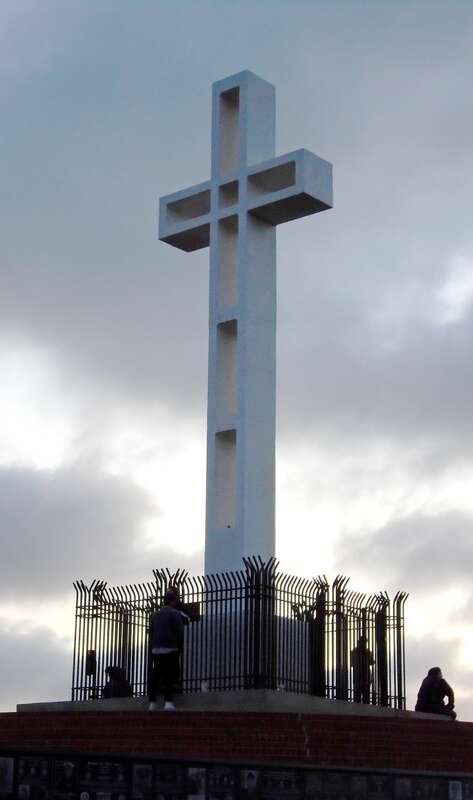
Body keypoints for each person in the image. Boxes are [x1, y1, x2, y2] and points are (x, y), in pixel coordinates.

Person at [148, 589, 184, 711]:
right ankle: (168, 702)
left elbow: (151, 631)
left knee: (156, 675)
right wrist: (179, 646)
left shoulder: (155, 615)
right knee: (169, 675)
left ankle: (152, 703)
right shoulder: (175, 613)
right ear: (173, 601)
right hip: (170, 648)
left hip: (156, 649)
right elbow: (179, 631)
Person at [351, 635, 374, 703]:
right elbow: (371, 662)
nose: (364, 644)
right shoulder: (366, 652)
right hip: (362, 678)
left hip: (361, 677)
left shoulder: (354, 652)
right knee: (364, 698)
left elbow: (352, 664)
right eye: (363, 642)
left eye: (365, 642)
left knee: (359, 698)